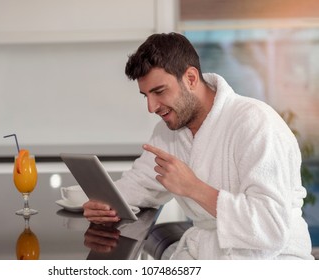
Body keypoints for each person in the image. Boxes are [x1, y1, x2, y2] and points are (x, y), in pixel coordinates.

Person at [83, 32, 313, 259]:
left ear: (191, 79)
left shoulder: (255, 123)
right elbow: (139, 184)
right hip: (209, 253)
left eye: (159, 92)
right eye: (146, 96)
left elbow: (270, 227)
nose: (151, 108)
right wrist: (105, 204)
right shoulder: (168, 133)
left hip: (273, 260)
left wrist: (193, 187)